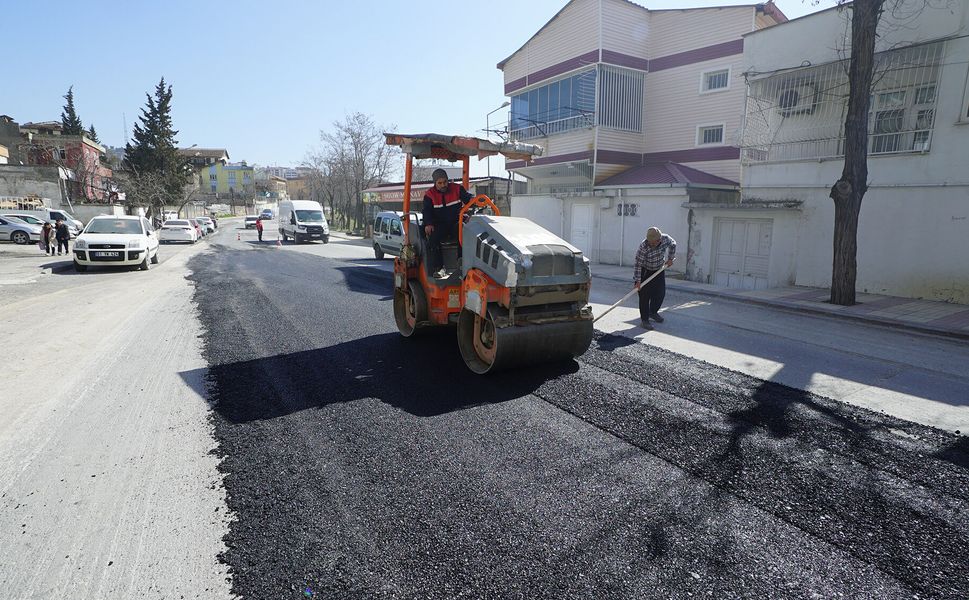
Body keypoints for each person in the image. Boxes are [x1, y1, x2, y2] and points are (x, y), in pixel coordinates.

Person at [422, 168, 472, 278]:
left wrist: (475, 200)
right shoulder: (429, 195)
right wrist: (428, 223)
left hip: (455, 221)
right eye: (440, 183)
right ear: (435, 183)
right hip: (440, 224)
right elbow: (427, 211)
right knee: (433, 239)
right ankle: (439, 268)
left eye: (445, 182)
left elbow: (469, 199)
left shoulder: (457, 189)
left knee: (463, 232)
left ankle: (461, 262)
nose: (443, 185)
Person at [633, 226, 676, 330]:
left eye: (653, 243)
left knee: (660, 293)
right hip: (645, 271)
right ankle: (645, 320)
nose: (651, 244)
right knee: (644, 296)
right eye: (649, 242)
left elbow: (673, 244)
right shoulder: (644, 246)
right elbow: (638, 264)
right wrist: (637, 280)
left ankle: (653, 312)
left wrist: (670, 258)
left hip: (659, 270)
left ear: (659, 240)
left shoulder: (665, 239)